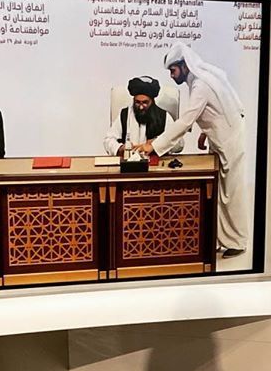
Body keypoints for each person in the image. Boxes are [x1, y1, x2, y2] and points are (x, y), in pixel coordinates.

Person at [136, 43, 248, 255]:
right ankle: (220, 239)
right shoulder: (199, 80)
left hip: (229, 141)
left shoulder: (201, 85)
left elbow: (186, 121)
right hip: (222, 138)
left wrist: (153, 145)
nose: (171, 75)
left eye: (173, 70)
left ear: (184, 65)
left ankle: (237, 242)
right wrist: (206, 131)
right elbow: (218, 108)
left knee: (231, 193)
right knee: (219, 191)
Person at [103, 75, 182, 157]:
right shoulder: (124, 115)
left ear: (152, 101)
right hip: (129, 162)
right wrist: (120, 148)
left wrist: (156, 144)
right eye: (137, 102)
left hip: (156, 164)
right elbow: (108, 140)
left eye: (145, 102)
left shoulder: (164, 116)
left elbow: (179, 144)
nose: (141, 107)